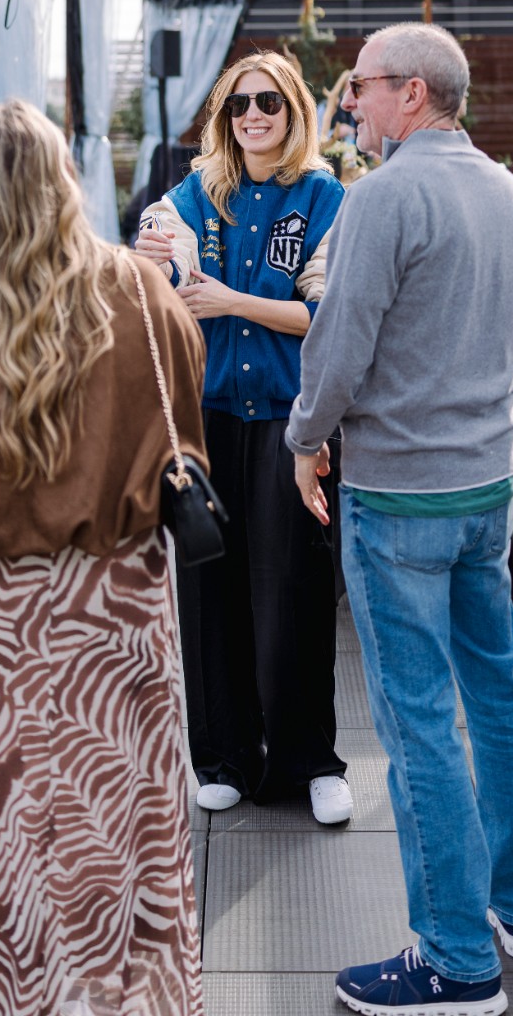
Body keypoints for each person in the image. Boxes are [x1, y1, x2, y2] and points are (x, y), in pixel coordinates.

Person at [0, 101, 206, 1016]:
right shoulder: (139, 296)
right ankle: (119, 995)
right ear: (64, 180)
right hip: (115, 608)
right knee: (115, 816)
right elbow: (186, 437)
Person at [286, 22, 513, 1016]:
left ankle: (452, 960)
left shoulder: (382, 196)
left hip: (395, 492)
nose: (346, 103)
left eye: (355, 87)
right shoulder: (510, 196)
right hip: (484, 486)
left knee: (417, 727)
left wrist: (303, 440)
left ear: (409, 92)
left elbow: (340, 339)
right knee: (494, 696)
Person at [136, 52, 351, 825]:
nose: (253, 116)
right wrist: (157, 262)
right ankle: (223, 753)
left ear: (294, 110)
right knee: (208, 586)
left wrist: (230, 300)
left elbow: (328, 316)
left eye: (268, 102)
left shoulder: (328, 199)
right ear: (222, 116)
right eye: (237, 104)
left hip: (293, 422)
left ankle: (309, 760)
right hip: (206, 417)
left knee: (293, 586)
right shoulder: (192, 197)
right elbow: (160, 260)